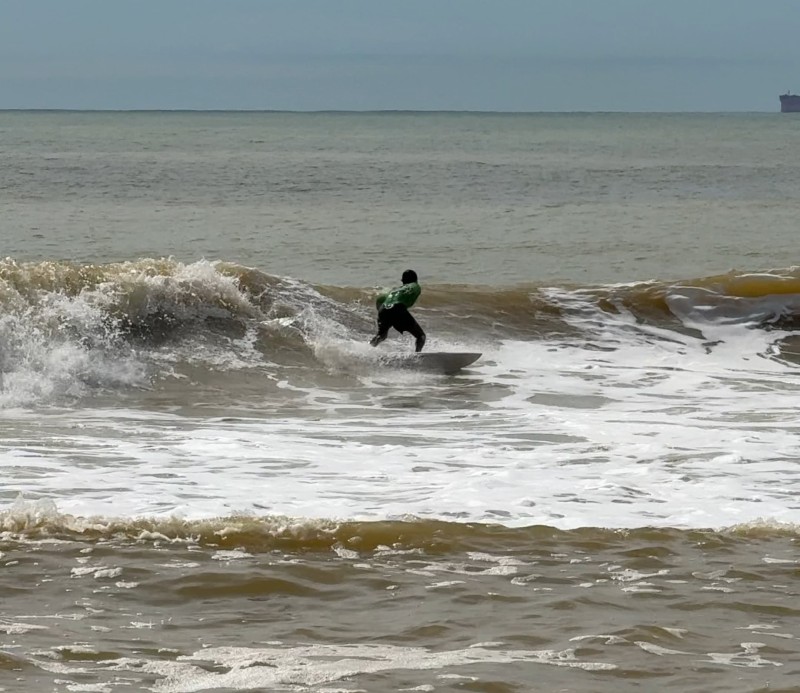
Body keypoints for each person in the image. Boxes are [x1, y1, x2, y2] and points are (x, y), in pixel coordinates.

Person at [369, 269, 426, 352]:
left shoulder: (393, 291)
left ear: (402, 280)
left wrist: (382, 313)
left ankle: (369, 349)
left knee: (381, 336)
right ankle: (418, 355)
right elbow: (410, 288)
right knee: (421, 336)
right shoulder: (414, 285)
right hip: (397, 308)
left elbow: (379, 300)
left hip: (384, 308)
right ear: (416, 279)